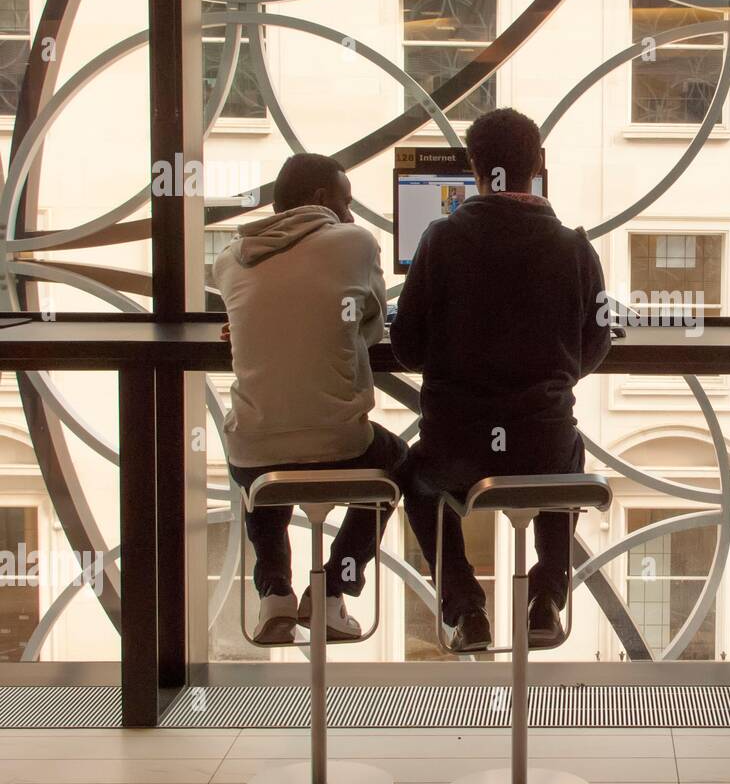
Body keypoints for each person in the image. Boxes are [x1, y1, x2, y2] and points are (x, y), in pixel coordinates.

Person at [391, 108, 610, 653]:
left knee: (418, 479)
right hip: (541, 444)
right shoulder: (574, 249)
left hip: (456, 451)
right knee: (566, 455)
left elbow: (407, 347)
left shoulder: (439, 240)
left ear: (472, 166)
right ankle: (547, 598)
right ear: (538, 164)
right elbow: (596, 346)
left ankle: (465, 608)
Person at [215, 153, 407, 645]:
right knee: (399, 463)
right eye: (346, 202)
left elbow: (253, 316)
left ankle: (274, 594)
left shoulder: (229, 259)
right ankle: (333, 590)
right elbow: (366, 327)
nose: (352, 213)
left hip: (255, 452)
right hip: (340, 444)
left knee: (259, 451)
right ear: (322, 200)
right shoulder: (356, 243)